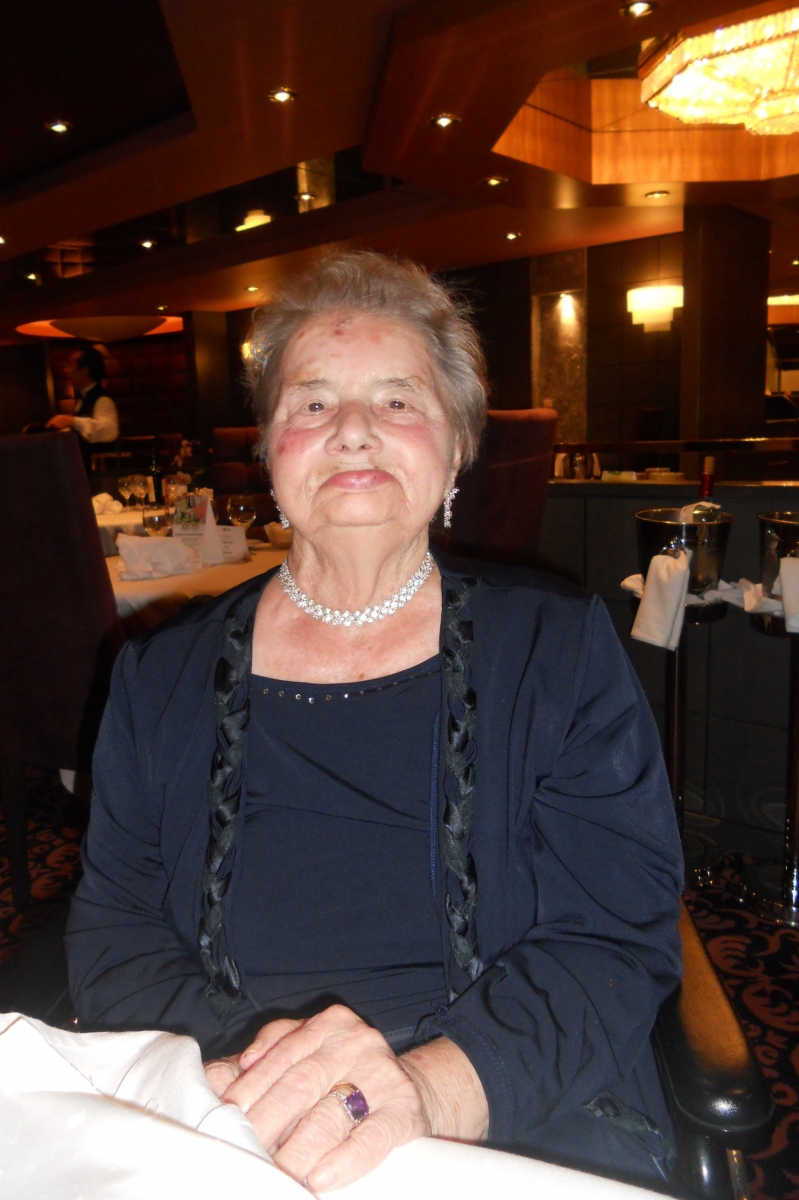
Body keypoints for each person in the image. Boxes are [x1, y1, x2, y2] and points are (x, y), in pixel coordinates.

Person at [66, 252, 683, 1193]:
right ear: (270, 452)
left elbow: (613, 936)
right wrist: (254, 1084)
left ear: (456, 448)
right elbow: (115, 929)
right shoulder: (158, 678)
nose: (352, 429)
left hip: (502, 1112)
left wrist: (427, 1091)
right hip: (229, 1115)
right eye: (312, 402)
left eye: (397, 400)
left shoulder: (556, 651)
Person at [46, 346, 119, 476]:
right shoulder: (84, 399)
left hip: (99, 477)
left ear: (84, 371)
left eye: (70, 365)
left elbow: (110, 431)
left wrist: (73, 421)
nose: (66, 370)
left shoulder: (102, 399)